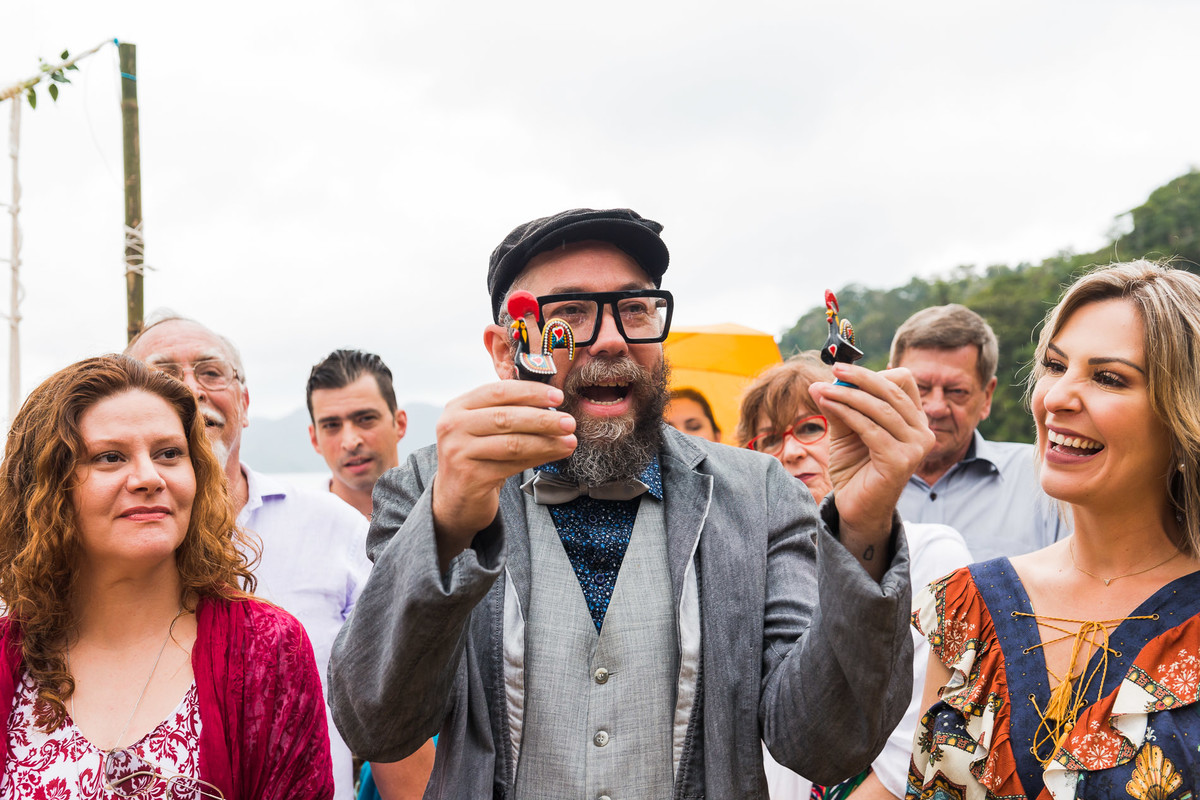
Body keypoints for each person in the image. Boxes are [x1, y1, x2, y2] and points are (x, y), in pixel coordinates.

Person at [328, 207, 936, 798]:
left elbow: (823, 745)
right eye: (569, 312)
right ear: (504, 348)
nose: (613, 340)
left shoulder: (759, 494)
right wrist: (444, 528)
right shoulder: (425, 487)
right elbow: (376, 724)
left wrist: (862, 525)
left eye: (636, 310)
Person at [910, 261, 1200, 799]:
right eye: (1054, 365)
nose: (1056, 398)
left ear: (1183, 413)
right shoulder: (967, 606)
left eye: (1109, 377)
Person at [0, 354, 333, 799]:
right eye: (110, 457)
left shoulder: (265, 649)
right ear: (45, 489)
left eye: (169, 454)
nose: (148, 477)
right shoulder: (9, 656)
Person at [126, 315, 370, 800]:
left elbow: (391, 703)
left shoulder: (335, 528)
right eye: (165, 374)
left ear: (244, 401)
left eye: (211, 372)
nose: (192, 390)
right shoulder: (105, 551)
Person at [736, 353, 972, 800]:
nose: (789, 452)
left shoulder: (929, 553)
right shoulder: (746, 569)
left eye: (810, 427)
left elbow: (924, 742)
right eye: (767, 440)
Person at [306, 349, 435, 800]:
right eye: (332, 425)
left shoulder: (450, 524)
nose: (350, 440)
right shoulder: (294, 537)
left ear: (399, 422)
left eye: (365, 419)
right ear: (313, 437)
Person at [889, 304, 1064, 560]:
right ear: (890, 383)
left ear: (986, 396)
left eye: (957, 391)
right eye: (919, 388)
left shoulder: (1044, 482)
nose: (936, 408)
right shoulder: (844, 481)